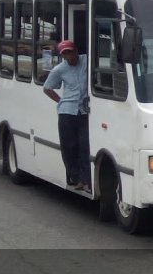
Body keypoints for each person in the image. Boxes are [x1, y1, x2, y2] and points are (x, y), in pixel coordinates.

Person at [43, 40, 91, 193]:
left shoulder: (87, 61)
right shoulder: (59, 70)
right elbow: (47, 88)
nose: (69, 56)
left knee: (85, 145)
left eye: (70, 52)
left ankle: (86, 180)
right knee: (69, 147)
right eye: (65, 54)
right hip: (67, 111)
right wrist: (60, 100)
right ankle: (75, 177)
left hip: (84, 111)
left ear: (76, 50)